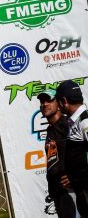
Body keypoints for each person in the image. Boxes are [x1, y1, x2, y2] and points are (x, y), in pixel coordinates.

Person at [39, 87, 78, 217]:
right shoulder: (50, 130)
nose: (44, 104)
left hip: (71, 189)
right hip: (57, 191)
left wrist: (75, 176)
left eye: (49, 100)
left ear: (59, 103)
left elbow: (81, 152)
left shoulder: (68, 125)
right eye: (42, 101)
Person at [56, 79, 88, 216]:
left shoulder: (85, 120)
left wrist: (76, 177)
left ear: (64, 101)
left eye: (58, 101)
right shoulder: (74, 120)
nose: (58, 106)